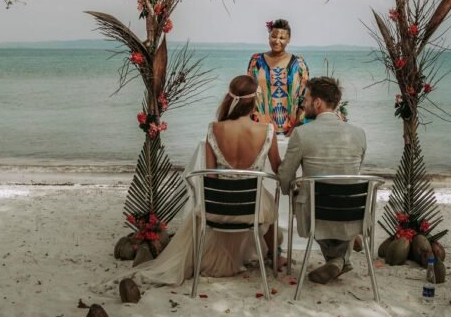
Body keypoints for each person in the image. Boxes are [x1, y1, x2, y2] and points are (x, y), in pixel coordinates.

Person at [133, 75, 283, 286]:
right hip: (252, 207)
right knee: (269, 204)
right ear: (255, 100)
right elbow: (278, 168)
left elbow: (211, 175)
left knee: (258, 201)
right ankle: (275, 255)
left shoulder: (214, 129)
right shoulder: (267, 131)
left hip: (218, 206)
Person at [277, 76, 366, 284]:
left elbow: (284, 177)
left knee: (301, 193)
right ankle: (341, 256)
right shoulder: (359, 133)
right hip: (353, 211)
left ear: (317, 103)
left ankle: (338, 259)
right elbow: (354, 173)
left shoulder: (301, 133)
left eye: (306, 99)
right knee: (336, 192)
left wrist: (289, 187)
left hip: (317, 214)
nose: (303, 104)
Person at [247, 19, 309, 135]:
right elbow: (249, 93)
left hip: (290, 130)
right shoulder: (256, 61)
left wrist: (295, 126)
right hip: (260, 129)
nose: (277, 41)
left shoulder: (299, 64)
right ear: (269, 37)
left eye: (282, 38)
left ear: (288, 39)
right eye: (273, 37)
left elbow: (303, 99)